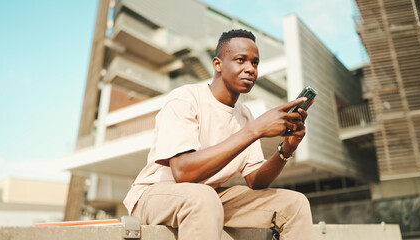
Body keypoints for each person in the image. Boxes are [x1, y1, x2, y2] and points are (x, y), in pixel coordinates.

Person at [123, 29, 313, 240]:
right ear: (218, 64)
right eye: (241, 60)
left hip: (209, 197)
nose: (250, 69)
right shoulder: (185, 98)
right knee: (203, 197)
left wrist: (287, 148)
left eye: (255, 63)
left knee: (295, 204)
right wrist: (255, 130)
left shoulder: (245, 115)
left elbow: (255, 181)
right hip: (156, 194)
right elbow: (183, 172)